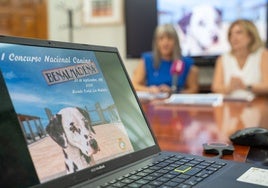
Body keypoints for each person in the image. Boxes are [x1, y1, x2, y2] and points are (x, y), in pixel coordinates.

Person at [131, 24, 199, 95]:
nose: (165, 43)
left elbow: (193, 90)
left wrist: (173, 92)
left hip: (176, 104)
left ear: (176, 41)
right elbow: (135, 85)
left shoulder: (186, 63)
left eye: (169, 38)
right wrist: (149, 90)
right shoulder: (147, 60)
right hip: (153, 102)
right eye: (161, 39)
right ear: (156, 42)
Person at [212, 19, 268, 96]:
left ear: (251, 36)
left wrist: (246, 87)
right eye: (231, 34)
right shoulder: (223, 59)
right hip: (229, 105)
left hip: (256, 105)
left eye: (239, 33)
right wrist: (229, 88)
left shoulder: (263, 55)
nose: (234, 37)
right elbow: (216, 88)